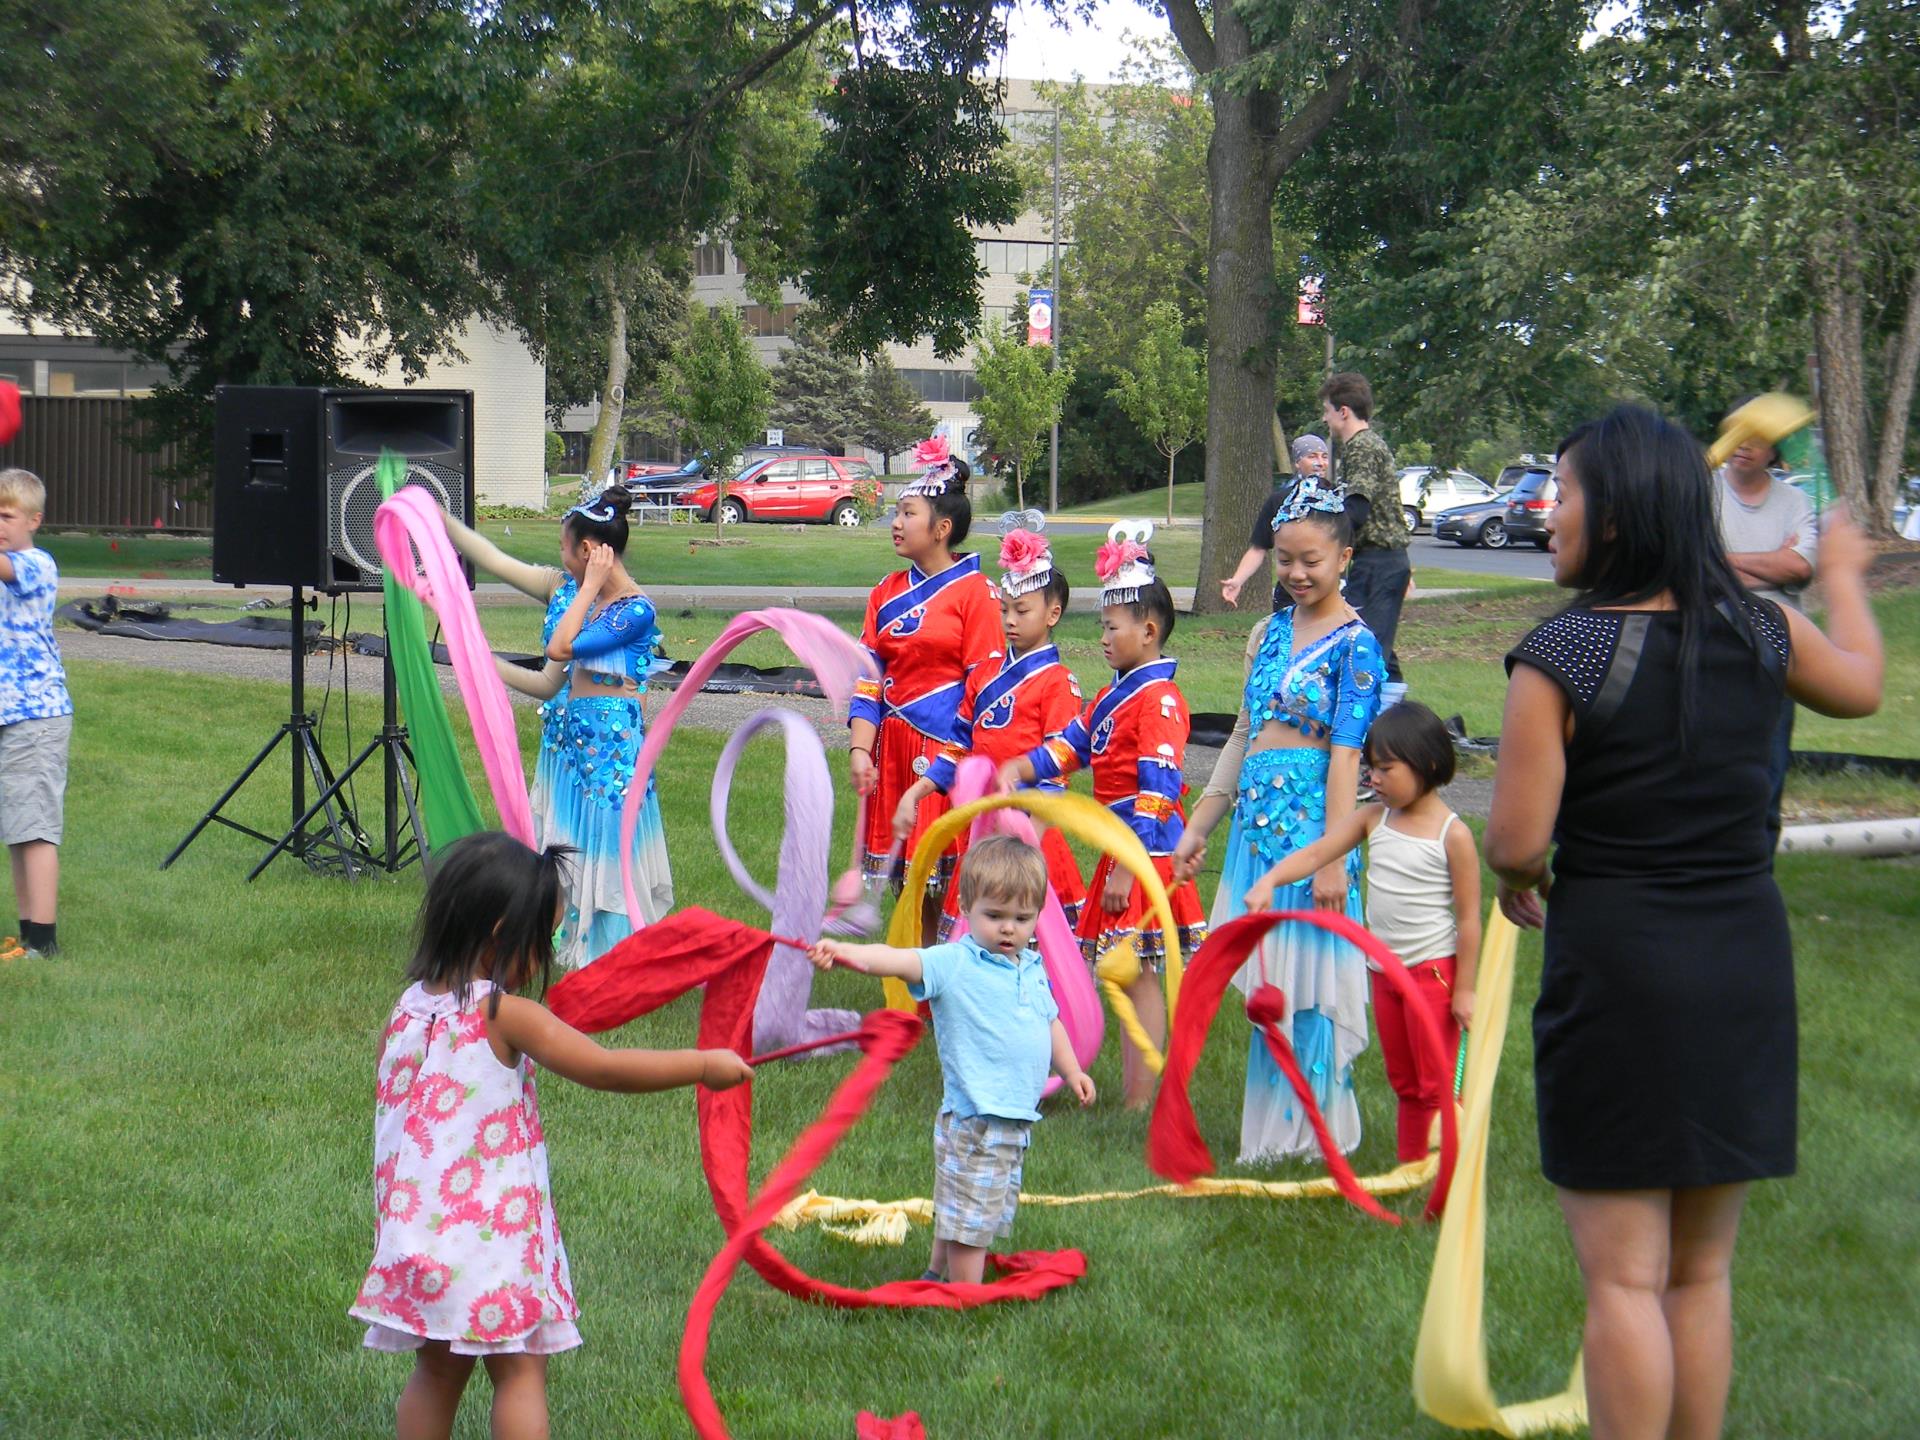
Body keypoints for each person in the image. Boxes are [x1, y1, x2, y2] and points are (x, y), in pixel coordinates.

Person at [1487, 405, 1881, 1440]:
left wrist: (1518, 876)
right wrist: (1837, 575)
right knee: (1702, 1274)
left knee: (1624, 1280)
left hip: (1619, 971)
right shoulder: (1761, 626)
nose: (1550, 511)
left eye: (1563, 492)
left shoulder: (1562, 651)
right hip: (1744, 963)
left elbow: (1517, 842)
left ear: (1613, 516)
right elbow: (1864, 689)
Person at [350, 831, 751, 1440]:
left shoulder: (404, 1012)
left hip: (418, 1244)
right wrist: (701, 1065)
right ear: (501, 935)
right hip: (491, 1247)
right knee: (519, 1370)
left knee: (436, 1371)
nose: (547, 954)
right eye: (546, 938)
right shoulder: (504, 1014)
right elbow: (604, 1068)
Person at [1172, 480, 1384, 1160]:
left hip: (1313, 835)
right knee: (1270, 987)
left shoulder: (1358, 648)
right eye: (1285, 560)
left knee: (1312, 984)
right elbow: (1242, 733)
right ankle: (1269, 1132)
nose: (1295, 573)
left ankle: (1314, 1136)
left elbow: (1349, 759)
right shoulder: (1268, 634)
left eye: (1311, 561)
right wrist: (1201, 823)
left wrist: (1332, 858)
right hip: (1255, 836)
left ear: (1344, 557)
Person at [808, 835, 1095, 1283]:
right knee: (970, 1223)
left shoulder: (1031, 966)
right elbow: (898, 960)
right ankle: (964, 1296)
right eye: (995, 916)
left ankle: (936, 1274)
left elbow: (1049, 1022)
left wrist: (1071, 1068)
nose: (1008, 929)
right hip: (976, 1118)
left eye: (1022, 918)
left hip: (1013, 1118)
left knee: (963, 1203)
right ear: (964, 907)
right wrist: (846, 954)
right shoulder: (955, 962)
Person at [995, 529, 1206, 1107]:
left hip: (1144, 853)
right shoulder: (1116, 696)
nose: (1104, 637)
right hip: (1121, 848)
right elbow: (1071, 745)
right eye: (1103, 625)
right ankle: (1128, 1090)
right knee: (1119, 972)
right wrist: (1024, 765)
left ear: (1149, 631)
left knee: (1135, 977)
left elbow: (1157, 791)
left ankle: (1140, 1102)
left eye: (1113, 626)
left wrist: (1125, 867)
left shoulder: (1159, 699)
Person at [441, 487, 673, 969]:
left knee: (604, 847)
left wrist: (589, 587)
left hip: (610, 759)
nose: (560, 560)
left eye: (565, 550)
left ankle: (610, 951)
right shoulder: (562, 587)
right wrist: (436, 515)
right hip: (566, 749)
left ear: (587, 552)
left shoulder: (634, 610)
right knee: (558, 846)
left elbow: (560, 650)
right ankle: (558, 934)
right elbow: (550, 682)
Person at [1242, 702, 1479, 1163]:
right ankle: (1411, 1172)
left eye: (1386, 769)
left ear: (1428, 763)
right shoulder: (1374, 819)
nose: (1373, 779)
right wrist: (1269, 881)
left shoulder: (1454, 835)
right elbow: (1318, 854)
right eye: (1370, 768)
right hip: (1384, 973)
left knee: (1438, 1085)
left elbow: (1470, 919)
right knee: (1406, 1084)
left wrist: (1465, 989)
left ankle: (1447, 1184)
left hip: (1433, 975)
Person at [893, 528, 1087, 933]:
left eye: (1023, 610)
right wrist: (917, 790)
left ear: (1053, 614)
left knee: (1026, 946)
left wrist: (1030, 836)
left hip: (1031, 832)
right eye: (1006, 611)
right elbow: (958, 747)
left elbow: (1058, 767)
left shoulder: (1058, 682)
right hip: (982, 829)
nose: (1011, 621)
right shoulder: (983, 674)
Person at [849, 436, 1001, 921]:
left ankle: (942, 983)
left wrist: (954, 757)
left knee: (944, 879)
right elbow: (868, 679)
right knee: (906, 884)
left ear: (942, 528)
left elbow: (986, 684)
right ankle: (916, 980)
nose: (895, 523)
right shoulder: (885, 591)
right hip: (890, 748)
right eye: (896, 512)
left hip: (945, 751)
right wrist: (859, 750)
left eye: (907, 513)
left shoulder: (977, 593)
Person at [1712, 402, 1817, 851]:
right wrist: (1770, 564)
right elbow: (1689, 565)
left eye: (1759, 437)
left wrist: (1722, 562)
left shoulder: (1795, 502)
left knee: (1770, 762)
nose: (1746, 445)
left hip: (1778, 645)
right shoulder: (1701, 491)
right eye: (1739, 434)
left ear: (1776, 452)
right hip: (1712, 639)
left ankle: (1757, 865)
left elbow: (1799, 568)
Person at [0, 468, 71, 962]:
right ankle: (27, 935)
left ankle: (44, 943)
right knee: (17, 829)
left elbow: (9, 572)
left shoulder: (36, 564)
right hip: (10, 717)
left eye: (7, 515)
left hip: (37, 717)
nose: (0, 523)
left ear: (34, 520)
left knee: (37, 827)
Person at [1322, 373, 1410, 698]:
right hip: (1381, 562)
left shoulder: (1361, 447)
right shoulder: (1366, 445)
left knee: (1364, 650)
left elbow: (1356, 510)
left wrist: (1323, 543)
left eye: (1327, 410)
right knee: (1376, 644)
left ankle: (1372, 737)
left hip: (1379, 562)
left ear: (1343, 411)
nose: (1324, 418)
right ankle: (1395, 726)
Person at [1220, 434, 1332, 610]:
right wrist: (1237, 580)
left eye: (1324, 457)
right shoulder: (1280, 501)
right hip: (1291, 593)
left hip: (1329, 591)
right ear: (1297, 463)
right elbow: (1259, 547)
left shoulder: (1337, 499)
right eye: (1312, 456)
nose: (1320, 462)